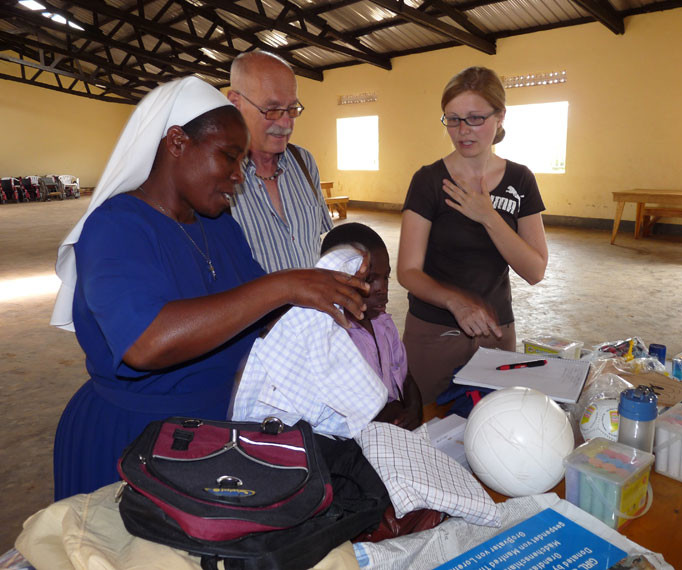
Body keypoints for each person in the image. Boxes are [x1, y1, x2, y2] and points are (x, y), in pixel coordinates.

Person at [49, 76, 369, 500]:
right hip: (134, 440)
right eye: (230, 157)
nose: (240, 175)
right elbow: (146, 343)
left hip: (213, 431)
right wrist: (283, 285)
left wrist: (324, 289)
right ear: (177, 142)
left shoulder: (218, 226)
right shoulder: (116, 227)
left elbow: (260, 313)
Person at [397, 66, 549, 404]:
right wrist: (457, 303)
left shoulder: (520, 181)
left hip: (496, 334)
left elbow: (535, 270)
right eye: (452, 119)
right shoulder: (428, 181)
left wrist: (488, 216)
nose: (462, 131)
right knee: (428, 430)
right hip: (434, 333)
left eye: (475, 118)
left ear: (500, 117)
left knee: (491, 432)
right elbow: (407, 270)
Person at [227, 50, 333, 273]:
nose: (286, 123)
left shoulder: (304, 163)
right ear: (236, 103)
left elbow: (316, 246)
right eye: (273, 110)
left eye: (292, 109)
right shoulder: (219, 177)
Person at [321, 223, 422, 430]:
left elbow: (406, 377)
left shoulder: (384, 324)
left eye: (386, 277)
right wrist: (387, 414)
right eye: (369, 280)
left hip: (393, 431)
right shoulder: (333, 337)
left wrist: (414, 409)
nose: (382, 289)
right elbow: (339, 412)